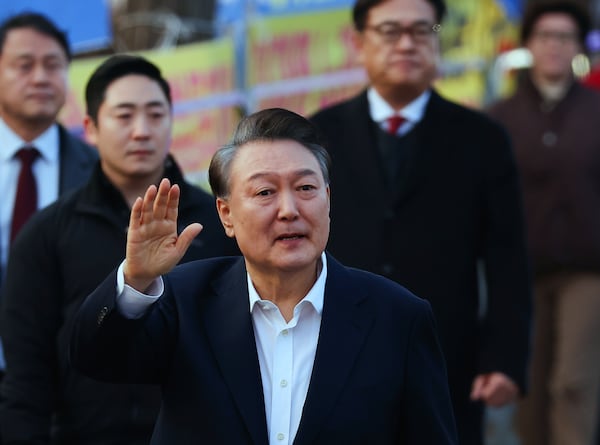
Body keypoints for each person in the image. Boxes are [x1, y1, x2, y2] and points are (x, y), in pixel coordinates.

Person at [69, 107, 458, 444]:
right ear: (226, 215)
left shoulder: (397, 317)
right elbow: (95, 358)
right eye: (265, 193)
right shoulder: (185, 300)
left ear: (328, 199)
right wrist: (135, 279)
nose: (289, 209)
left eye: (305, 187)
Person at [309, 0, 532, 444]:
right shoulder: (317, 135)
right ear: (359, 42)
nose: (406, 44)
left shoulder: (482, 137)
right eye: (390, 31)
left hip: (446, 353)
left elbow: (507, 257)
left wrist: (504, 356)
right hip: (334, 347)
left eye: (421, 30)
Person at [0, 54, 238, 444]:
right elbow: (25, 381)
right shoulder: (47, 233)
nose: (142, 131)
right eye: (124, 116)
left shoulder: (220, 221)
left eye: (156, 115)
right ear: (91, 128)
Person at [487, 2, 600, 445]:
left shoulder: (595, 112)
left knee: (572, 381)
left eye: (564, 37)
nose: (554, 47)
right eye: (546, 37)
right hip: (522, 274)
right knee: (528, 388)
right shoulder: (500, 118)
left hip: (588, 270)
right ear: (529, 44)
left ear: (577, 46)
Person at [0, 12, 97, 358]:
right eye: (24, 65)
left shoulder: (99, 170)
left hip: (66, 366)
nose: (41, 77)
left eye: (53, 65)